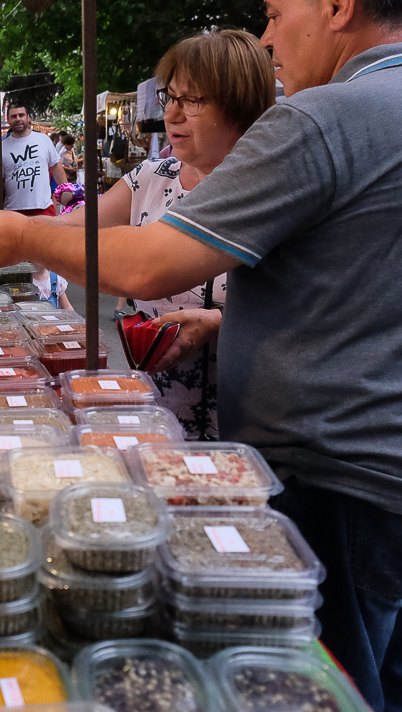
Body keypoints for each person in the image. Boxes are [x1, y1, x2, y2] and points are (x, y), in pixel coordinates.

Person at [0, 0, 402, 712]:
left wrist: (19, 235)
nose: (268, 38)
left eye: (275, 14)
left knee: (328, 704)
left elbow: (149, 264)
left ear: (338, 3)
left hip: (351, 481)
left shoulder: (325, 117)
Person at [92, 29, 275, 440]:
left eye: (191, 100)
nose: (172, 115)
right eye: (170, 97)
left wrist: (217, 322)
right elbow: (77, 229)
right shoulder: (151, 177)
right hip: (159, 422)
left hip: (247, 429)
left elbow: (309, 312)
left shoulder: (276, 190)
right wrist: (4, 226)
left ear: (240, 107)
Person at [1, 102, 67, 216]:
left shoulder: (43, 139)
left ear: (28, 117)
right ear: (9, 120)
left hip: (44, 208)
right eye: (14, 116)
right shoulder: (1, 147)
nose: (18, 119)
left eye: (21, 115)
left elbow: (56, 166)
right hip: (13, 210)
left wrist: (67, 193)